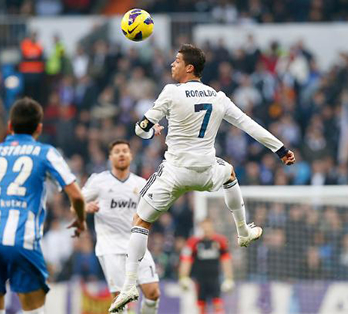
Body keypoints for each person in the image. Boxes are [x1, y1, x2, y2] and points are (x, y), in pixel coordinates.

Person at [109, 44, 295, 312]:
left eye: (176, 61)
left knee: (140, 221)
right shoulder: (218, 97)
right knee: (230, 172)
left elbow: (140, 130)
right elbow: (248, 124)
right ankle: (243, 231)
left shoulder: (171, 92)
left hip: (174, 172)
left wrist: (151, 131)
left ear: (189, 68)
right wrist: (281, 149)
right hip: (206, 171)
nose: (172, 65)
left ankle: (128, 286)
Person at [0, 97, 86, 314]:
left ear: (9, 126)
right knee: (33, 310)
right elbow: (76, 196)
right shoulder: (45, 152)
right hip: (22, 240)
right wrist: (80, 219)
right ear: (39, 128)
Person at [81, 139, 160, 314]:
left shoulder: (141, 184)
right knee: (120, 301)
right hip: (110, 246)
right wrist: (85, 207)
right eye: (117, 151)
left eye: (125, 150)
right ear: (110, 157)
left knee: (153, 292)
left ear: (131, 156)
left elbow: (152, 212)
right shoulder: (98, 181)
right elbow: (75, 204)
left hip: (136, 245)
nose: (122, 154)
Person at [179, 218, 234, 314]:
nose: (206, 229)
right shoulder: (193, 242)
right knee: (201, 306)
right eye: (204, 227)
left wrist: (229, 278)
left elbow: (226, 260)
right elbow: (186, 260)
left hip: (215, 278)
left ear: (212, 226)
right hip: (200, 280)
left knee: (218, 304)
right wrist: (183, 277)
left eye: (208, 226)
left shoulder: (220, 241)